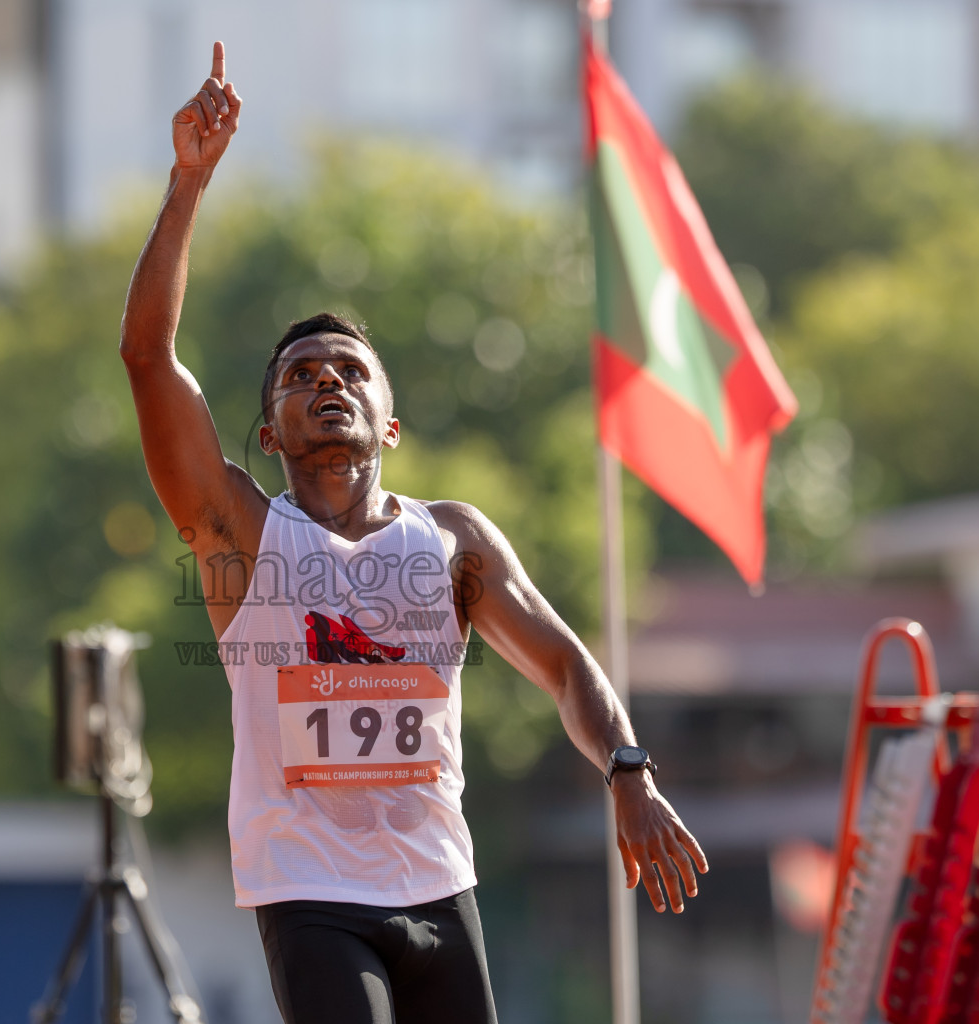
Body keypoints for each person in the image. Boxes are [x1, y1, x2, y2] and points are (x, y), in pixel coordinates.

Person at [119, 40, 707, 1024]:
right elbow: (146, 356)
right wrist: (187, 185)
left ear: (390, 421)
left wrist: (629, 769)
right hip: (309, 893)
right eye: (300, 375)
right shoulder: (243, 535)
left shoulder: (453, 543)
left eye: (349, 369)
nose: (326, 382)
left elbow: (566, 668)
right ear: (269, 432)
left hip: (439, 884)